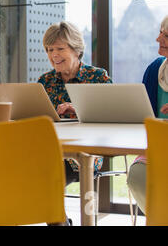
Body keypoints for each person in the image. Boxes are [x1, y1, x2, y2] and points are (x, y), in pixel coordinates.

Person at [38, 21, 112, 225]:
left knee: (46, 178)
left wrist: (78, 109)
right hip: (51, 149)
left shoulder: (98, 77)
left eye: (60, 48)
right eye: (50, 49)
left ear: (76, 49)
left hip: (86, 151)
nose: (54, 55)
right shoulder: (45, 81)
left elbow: (112, 114)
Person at [127, 16, 168, 214]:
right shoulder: (154, 70)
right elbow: (142, 113)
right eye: (161, 31)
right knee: (138, 174)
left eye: (166, 35)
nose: (158, 38)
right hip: (159, 147)